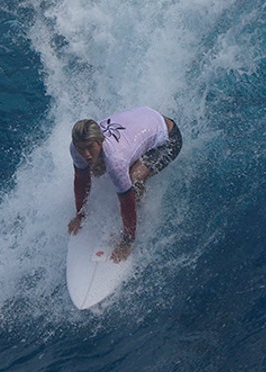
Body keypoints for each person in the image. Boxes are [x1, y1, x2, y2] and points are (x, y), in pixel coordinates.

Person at [67, 106, 182, 262]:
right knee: (95, 170)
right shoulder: (76, 148)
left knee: (133, 181)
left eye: (90, 148)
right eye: (82, 149)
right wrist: (80, 214)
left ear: (99, 141)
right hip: (144, 117)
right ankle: (135, 153)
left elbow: (126, 201)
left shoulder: (116, 160)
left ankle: (140, 213)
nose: (86, 153)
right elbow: (81, 179)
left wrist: (127, 240)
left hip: (168, 137)